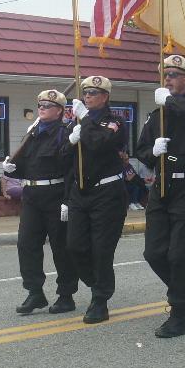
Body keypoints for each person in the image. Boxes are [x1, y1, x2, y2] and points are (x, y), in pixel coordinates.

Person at [135, 54, 185, 338]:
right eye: (165, 75)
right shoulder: (156, 116)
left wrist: (169, 101)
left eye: (174, 75)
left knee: (179, 254)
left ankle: (178, 313)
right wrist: (152, 152)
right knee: (154, 252)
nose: (168, 79)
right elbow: (141, 150)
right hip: (162, 187)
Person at [2, 88, 79, 315]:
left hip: (55, 194)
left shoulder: (65, 133)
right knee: (26, 245)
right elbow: (26, 166)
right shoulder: (32, 133)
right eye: (40, 106)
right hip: (31, 196)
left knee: (60, 247)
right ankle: (35, 292)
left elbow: (70, 170)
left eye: (48, 106)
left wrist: (68, 200)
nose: (42, 109)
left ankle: (66, 295)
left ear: (60, 111)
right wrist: (11, 169)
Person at [65, 76, 128, 324]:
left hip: (107, 192)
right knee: (75, 246)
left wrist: (85, 120)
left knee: (101, 250)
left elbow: (98, 143)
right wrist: (70, 140)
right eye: (86, 93)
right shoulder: (77, 122)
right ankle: (96, 283)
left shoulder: (115, 122)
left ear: (105, 96)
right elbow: (62, 158)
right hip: (80, 193)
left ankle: (100, 299)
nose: (87, 96)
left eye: (93, 92)